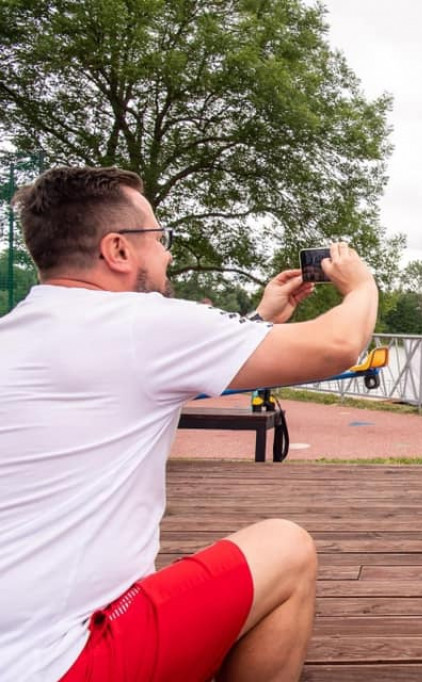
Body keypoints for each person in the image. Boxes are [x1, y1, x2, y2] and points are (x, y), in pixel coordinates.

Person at [0, 166, 380, 680]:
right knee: (287, 548)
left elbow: (148, 375)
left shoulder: (15, 332)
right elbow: (338, 345)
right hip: (60, 659)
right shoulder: (141, 321)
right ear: (118, 250)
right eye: (160, 238)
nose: (167, 253)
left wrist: (261, 321)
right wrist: (362, 285)